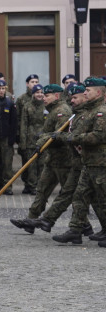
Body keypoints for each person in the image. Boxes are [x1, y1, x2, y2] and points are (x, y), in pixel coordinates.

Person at [10, 84, 73, 233]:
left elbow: (58, 137)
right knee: (42, 190)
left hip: (63, 160)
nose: (44, 98)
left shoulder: (61, 111)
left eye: (47, 95)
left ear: (56, 96)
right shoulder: (52, 110)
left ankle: (83, 226)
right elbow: (47, 134)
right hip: (52, 159)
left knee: (70, 194)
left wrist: (42, 139)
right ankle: (31, 220)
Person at [51, 77, 106, 244]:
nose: (85, 93)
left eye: (87, 91)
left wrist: (74, 138)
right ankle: (75, 230)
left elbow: (97, 136)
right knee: (79, 195)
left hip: (100, 163)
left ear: (98, 92)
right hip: (88, 162)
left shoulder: (102, 111)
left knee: (103, 199)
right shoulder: (90, 110)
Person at [0, 79, 17, 195]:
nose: (1, 91)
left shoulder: (9, 103)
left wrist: (12, 138)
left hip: (6, 138)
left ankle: (7, 186)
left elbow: (14, 122)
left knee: (7, 164)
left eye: (3, 88)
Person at [18, 82, 44, 194]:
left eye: (41, 92)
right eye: (37, 92)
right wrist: (23, 143)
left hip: (43, 139)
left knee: (42, 165)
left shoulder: (46, 105)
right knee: (32, 165)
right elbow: (24, 125)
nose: (40, 94)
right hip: (30, 140)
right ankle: (32, 186)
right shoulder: (27, 106)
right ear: (33, 94)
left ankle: (41, 186)